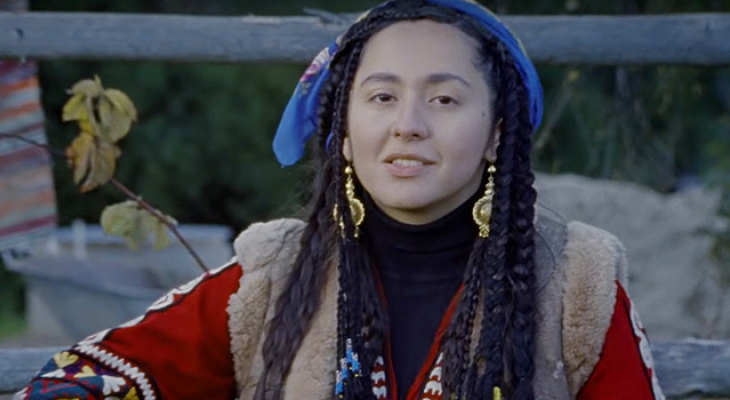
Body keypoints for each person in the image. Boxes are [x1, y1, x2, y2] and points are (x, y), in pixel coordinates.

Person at [16, 0, 665, 399]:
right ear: (344, 133)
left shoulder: (576, 284)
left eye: (444, 98)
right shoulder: (272, 277)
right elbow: (91, 380)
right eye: (382, 96)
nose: (408, 124)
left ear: (498, 133)